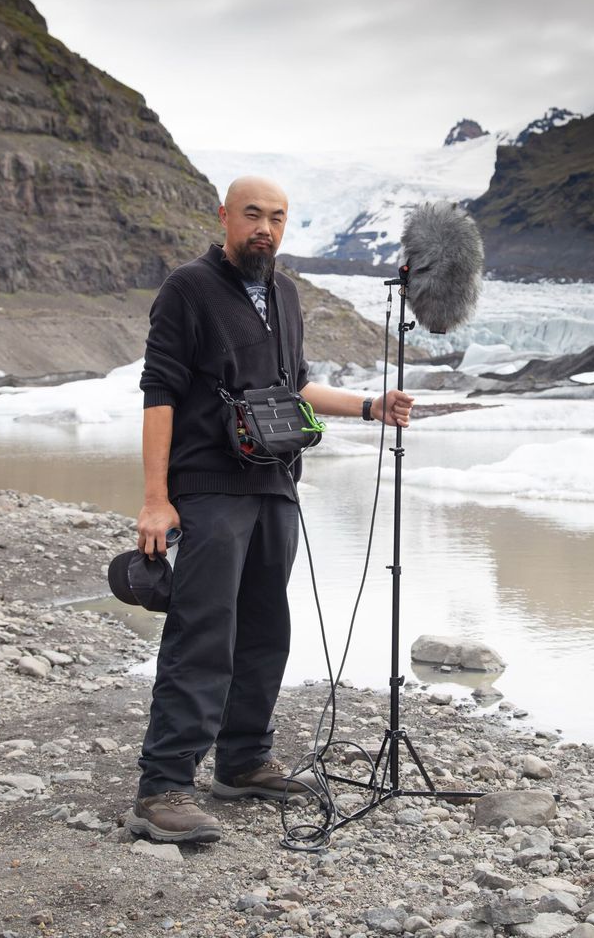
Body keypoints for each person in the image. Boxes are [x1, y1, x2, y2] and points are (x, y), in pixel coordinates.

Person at [125, 176, 414, 843]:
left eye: (277, 218)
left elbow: (295, 384)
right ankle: (163, 786)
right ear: (224, 216)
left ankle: (243, 761)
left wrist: (371, 407)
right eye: (252, 215)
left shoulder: (284, 293)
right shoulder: (188, 289)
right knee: (203, 631)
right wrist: (154, 498)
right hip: (207, 484)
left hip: (273, 482)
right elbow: (159, 393)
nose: (265, 228)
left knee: (263, 628)